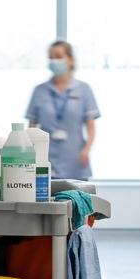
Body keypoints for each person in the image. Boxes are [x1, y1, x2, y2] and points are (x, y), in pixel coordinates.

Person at [25, 39, 100, 181]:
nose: (54, 61)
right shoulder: (39, 91)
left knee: (78, 201)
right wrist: (29, 153)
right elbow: (31, 127)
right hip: (45, 160)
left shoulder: (83, 90)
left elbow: (90, 125)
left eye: (58, 57)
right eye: (51, 57)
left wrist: (86, 150)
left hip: (76, 160)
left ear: (70, 60)